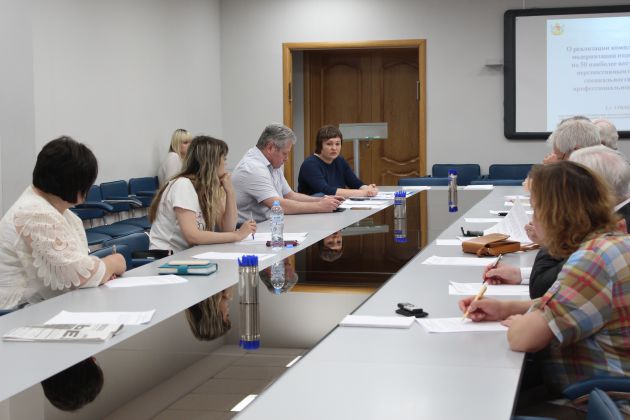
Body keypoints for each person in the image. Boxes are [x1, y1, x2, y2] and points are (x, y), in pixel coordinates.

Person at [459, 161, 630, 417]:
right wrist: (506, 308)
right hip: (598, 391)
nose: (532, 219)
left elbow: (522, 338)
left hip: (602, 403)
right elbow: (576, 304)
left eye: (536, 210)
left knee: (483, 405)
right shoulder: (614, 244)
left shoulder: (593, 259)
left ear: (554, 215)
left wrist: (521, 322)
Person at [485, 145, 630, 298]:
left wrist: (552, 238)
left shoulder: (612, 231)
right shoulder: (614, 219)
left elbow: (542, 287)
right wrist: (520, 274)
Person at [0, 137, 126, 311]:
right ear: (72, 183)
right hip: (17, 314)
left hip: (42, 306)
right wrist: (114, 262)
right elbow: (79, 274)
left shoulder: (55, 210)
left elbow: (78, 269)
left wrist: (101, 273)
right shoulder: (34, 213)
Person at [149, 136, 256, 252]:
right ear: (212, 162)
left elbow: (227, 228)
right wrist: (237, 235)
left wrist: (230, 192)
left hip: (188, 254)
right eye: (224, 159)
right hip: (166, 256)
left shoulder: (207, 189)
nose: (226, 164)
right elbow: (192, 236)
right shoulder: (183, 185)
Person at [232, 123, 342, 223]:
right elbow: (278, 205)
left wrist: (322, 200)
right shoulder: (253, 168)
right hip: (247, 229)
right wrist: (319, 206)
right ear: (270, 148)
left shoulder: (272, 163)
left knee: (319, 198)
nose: (287, 159)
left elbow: (289, 195)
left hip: (267, 224)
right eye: (285, 153)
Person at [297, 125, 378, 197]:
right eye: (329, 144)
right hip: (313, 207)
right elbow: (326, 191)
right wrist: (363, 193)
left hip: (335, 205)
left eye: (337, 144)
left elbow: (355, 183)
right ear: (319, 145)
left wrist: (368, 189)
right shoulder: (310, 164)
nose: (334, 148)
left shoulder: (340, 160)